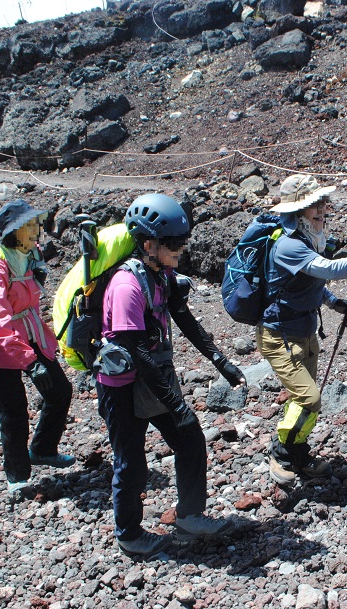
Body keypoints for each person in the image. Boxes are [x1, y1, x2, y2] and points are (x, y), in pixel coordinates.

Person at [96, 193, 247, 559]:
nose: (181, 248)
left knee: (190, 439)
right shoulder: (126, 287)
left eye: (182, 241)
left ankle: (190, 515)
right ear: (148, 244)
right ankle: (129, 533)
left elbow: (185, 320)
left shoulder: (162, 275)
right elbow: (137, 351)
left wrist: (220, 360)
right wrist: (176, 403)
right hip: (123, 387)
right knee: (131, 463)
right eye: (174, 243)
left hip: (154, 375)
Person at [258, 174, 347, 486]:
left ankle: (297, 452)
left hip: (303, 330)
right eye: (313, 205)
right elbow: (330, 269)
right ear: (296, 212)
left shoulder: (310, 239)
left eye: (322, 203)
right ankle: (281, 453)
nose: (321, 209)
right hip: (280, 334)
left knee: (305, 398)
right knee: (309, 397)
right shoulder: (289, 246)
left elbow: (310, 284)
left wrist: (335, 304)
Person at [0, 200, 75, 496]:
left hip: (28, 331)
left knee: (60, 392)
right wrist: (29, 362)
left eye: (36, 224)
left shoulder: (30, 256)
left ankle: (42, 448)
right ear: (12, 232)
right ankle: (17, 475)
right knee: (13, 410)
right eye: (29, 225)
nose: (36, 230)